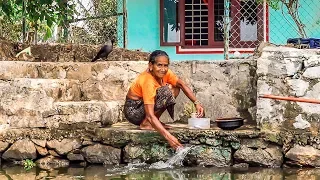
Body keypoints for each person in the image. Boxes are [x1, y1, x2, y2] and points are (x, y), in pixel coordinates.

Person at [124, 50, 204, 150]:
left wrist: (197, 103)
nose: (163, 69)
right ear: (151, 66)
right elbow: (149, 115)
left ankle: (154, 121)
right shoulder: (147, 81)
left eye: (165, 65)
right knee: (166, 91)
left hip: (144, 108)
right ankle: (146, 123)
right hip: (134, 111)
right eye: (159, 65)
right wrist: (169, 137)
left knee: (175, 88)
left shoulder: (165, 73)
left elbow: (181, 85)